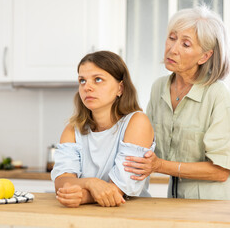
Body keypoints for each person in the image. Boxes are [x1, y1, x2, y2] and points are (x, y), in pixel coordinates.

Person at [123, 6, 230, 200]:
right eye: (172, 38)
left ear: (204, 56)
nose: (172, 49)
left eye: (185, 44)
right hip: (177, 200)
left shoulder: (218, 95)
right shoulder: (159, 88)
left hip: (219, 204)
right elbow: (146, 143)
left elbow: (221, 171)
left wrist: (159, 165)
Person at [51, 51, 155, 208]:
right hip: (84, 218)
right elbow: (61, 182)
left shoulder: (137, 122)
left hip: (130, 216)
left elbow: (120, 187)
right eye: (82, 81)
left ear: (120, 88)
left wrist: (82, 195)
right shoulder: (72, 130)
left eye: (98, 79)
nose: (87, 87)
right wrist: (91, 182)